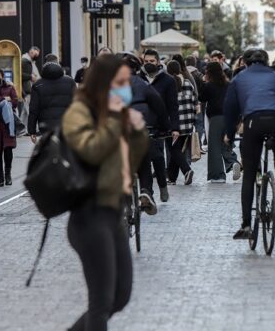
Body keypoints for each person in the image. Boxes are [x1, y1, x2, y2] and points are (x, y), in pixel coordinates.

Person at [62, 55, 148, 330]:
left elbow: (131, 161)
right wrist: (114, 121)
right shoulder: (79, 112)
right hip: (89, 215)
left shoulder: (115, 112)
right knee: (101, 302)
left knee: (121, 295)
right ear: (104, 83)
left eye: (127, 82)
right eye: (120, 82)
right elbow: (91, 150)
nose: (127, 88)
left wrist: (136, 130)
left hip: (113, 213)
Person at [224, 49, 275, 240]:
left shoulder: (238, 79)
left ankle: (246, 225)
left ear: (245, 63)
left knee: (249, 175)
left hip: (253, 121)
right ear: (267, 62)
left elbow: (229, 109)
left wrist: (229, 135)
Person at [120, 53, 168, 214]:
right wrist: (164, 128)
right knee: (144, 161)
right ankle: (146, 191)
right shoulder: (143, 84)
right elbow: (160, 106)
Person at [143, 49, 190, 187]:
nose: (149, 64)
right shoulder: (139, 78)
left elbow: (173, 106)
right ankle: (147, 190)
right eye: (146, 61)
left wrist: (175, 127)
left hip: (162, 124)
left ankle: (163, 185)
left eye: (151, 61)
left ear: (158, 62)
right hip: (142, 123)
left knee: (159, 156)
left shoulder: (168, 80)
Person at [200, 62, 241, 183]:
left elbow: (201, 98)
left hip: (216, 118)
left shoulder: (209, 85)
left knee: (214, 147)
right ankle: (233, 163)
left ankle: (217, 175)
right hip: (230, 117)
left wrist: (203, 82)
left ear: (209, 72)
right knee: (226, 144)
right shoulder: (229, 84)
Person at [27, 57, 76, 141]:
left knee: (49, 150)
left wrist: (32, 131)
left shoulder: (38, 85)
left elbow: (33, 109)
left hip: (46, 125)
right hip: (66, 123)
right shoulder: (70, 82)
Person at [167, 60, 197, 185]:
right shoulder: (188, 83)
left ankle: (186, 170)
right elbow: (194, 101)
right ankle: (172, 178)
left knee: (173, 149)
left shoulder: (169, 84)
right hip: (188, 123)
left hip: (174, 124)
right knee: (177, 149)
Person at [19, 46, 41, 133]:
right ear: (30, 52)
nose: (35, 56)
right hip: (26, 90)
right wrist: (30, 76)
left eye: (36, 54)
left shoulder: (28, 62)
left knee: (25, 112)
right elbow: (19, 74)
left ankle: (20, 128)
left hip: (27, 90)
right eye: (34, 54)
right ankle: (34, 129)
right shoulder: (25, 61)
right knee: (31, 110)